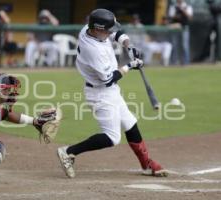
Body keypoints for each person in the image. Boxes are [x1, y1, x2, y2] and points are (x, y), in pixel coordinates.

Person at [57, 9, 168, 178]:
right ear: (97, 29)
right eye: (107, 30)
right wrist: (130, 65)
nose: (110, 33)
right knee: (112, 137)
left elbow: (117, 32)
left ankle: (146, 165)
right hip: (100, 93)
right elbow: (108, 79)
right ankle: (68, 152)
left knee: (130, 123)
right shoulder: (93, 50)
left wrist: (128, 45)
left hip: (110, 91)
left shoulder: (90, 28)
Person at [168, 0, 193, 65]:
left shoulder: (187, 6)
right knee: (174, 44)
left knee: (185, 45)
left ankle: (186, 62)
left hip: (184, 27)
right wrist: (177, 15)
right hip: (175, 27)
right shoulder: (173, 6)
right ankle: (174, 61)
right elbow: (171, 16)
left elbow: (190, 17)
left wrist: (182, 10)